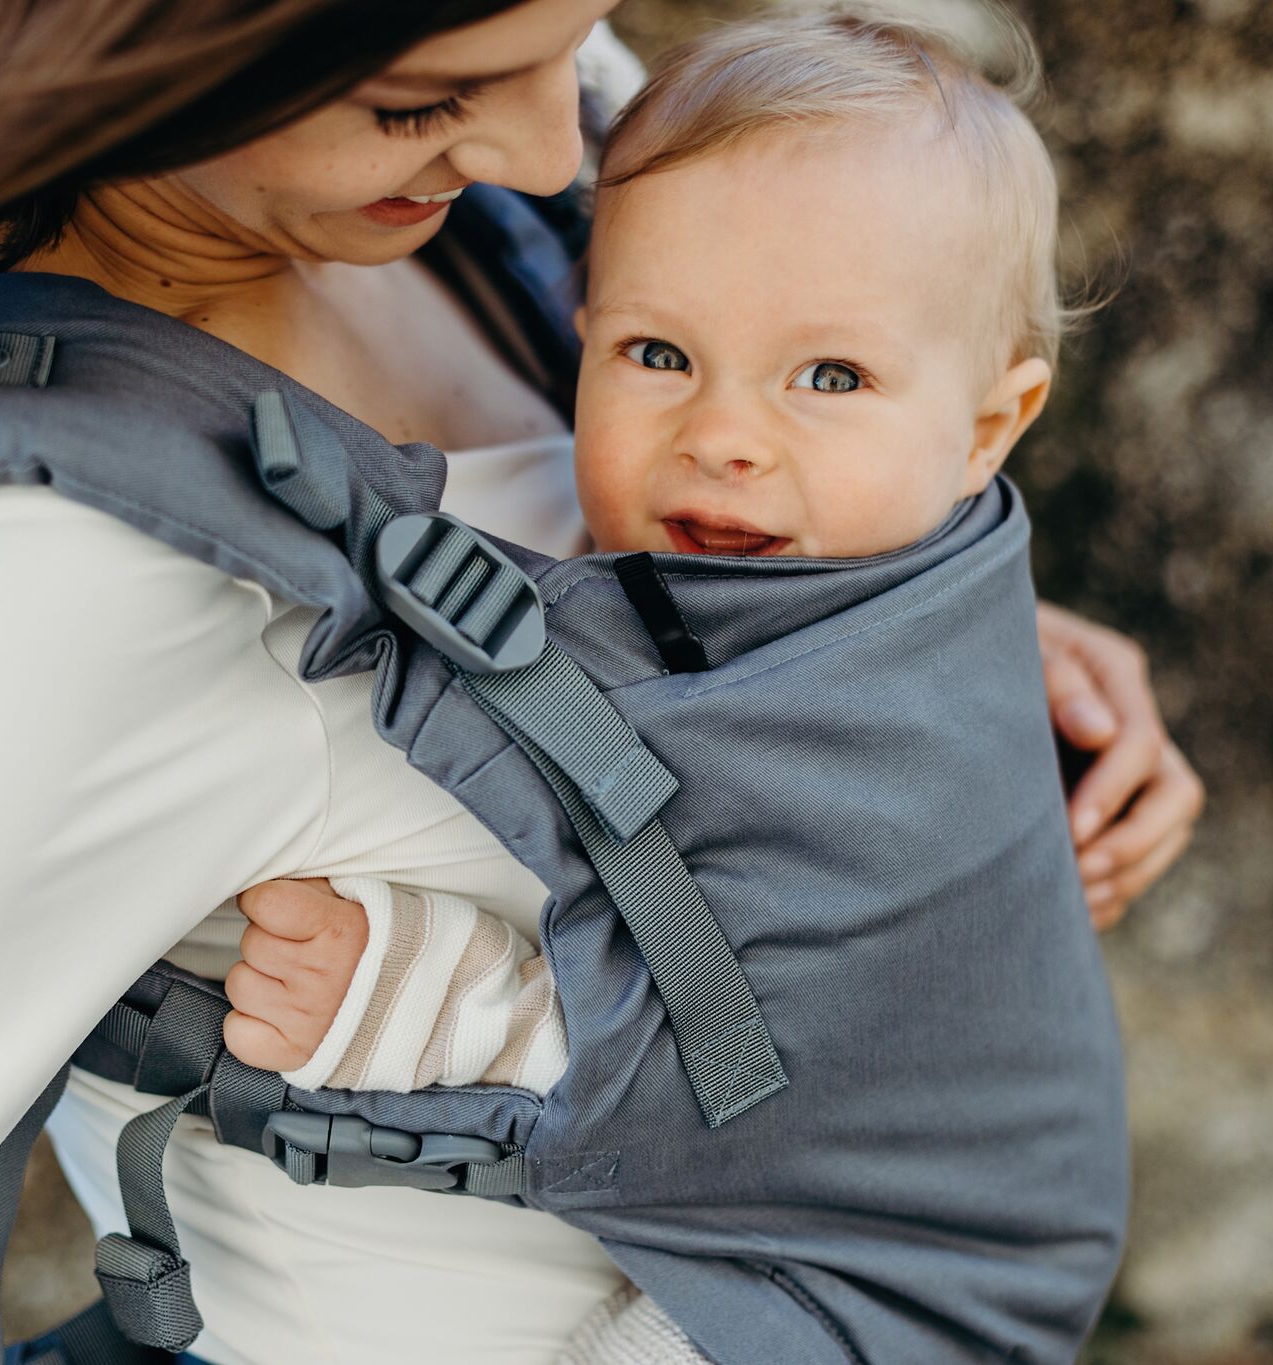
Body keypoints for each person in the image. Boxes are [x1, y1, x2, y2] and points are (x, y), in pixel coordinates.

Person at [0, 2, 1202, 1361]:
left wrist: (924, 663)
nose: (551, 137)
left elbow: (762, 458)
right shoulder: (4, 616)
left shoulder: (494, 114)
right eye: (427, 98)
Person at [219, 13, 1115, 1360]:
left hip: (907, 1276)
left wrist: (413, 989)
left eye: (829, 375)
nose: (724, 437)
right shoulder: (814, 571)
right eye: (655, 355)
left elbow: (748, 1046)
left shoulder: (883, 722)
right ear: (582, 333)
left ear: (986, 429)